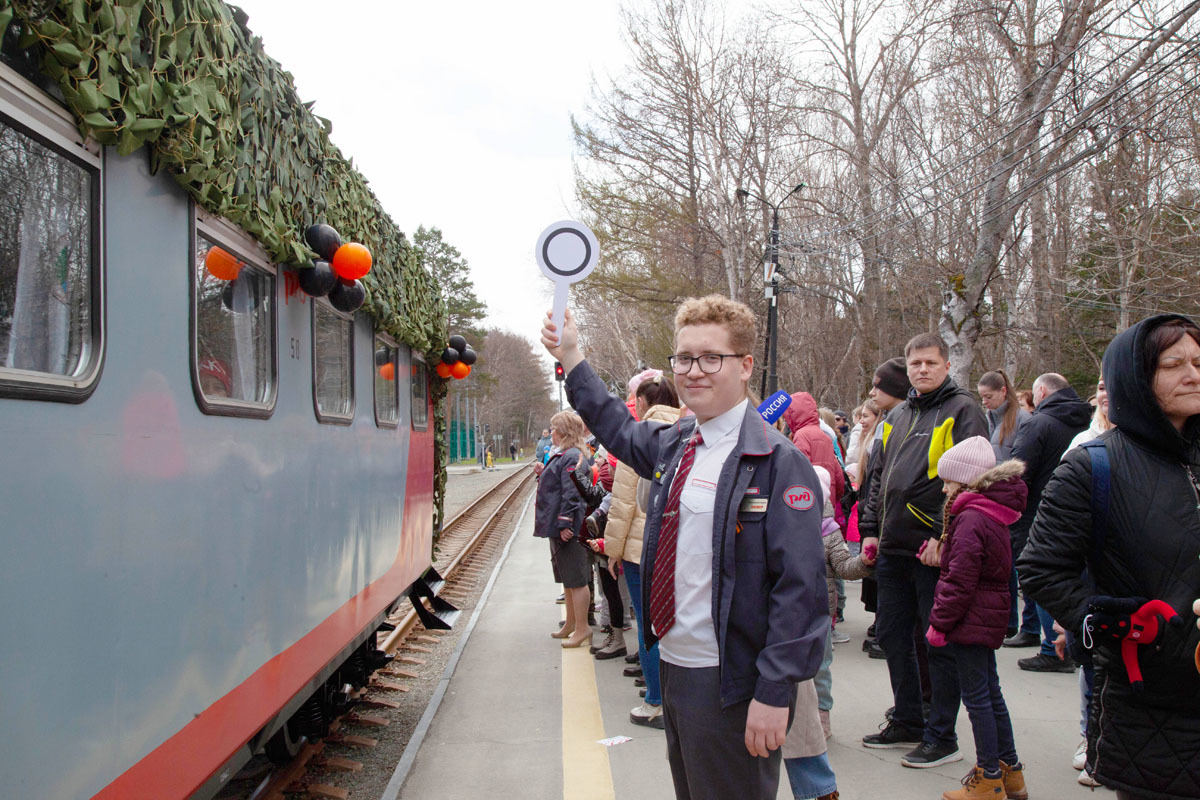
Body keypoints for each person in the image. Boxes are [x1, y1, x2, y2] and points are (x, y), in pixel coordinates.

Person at [543, 298, 828, 800]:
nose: (694, 371)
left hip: (732, 683)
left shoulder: (777, 462)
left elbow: (800, 591)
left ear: (744, 367)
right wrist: (572, 356)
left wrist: (773, 692)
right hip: (676, 666)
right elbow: (616, 425)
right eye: (684, 358)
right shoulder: (678, 441)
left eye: (710, 358)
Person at [1019, 314, 1200, 800]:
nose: (1193, 374)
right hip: (1151, 707)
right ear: (1136, 377)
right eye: (1173, 364)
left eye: (1199, 362)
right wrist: (1109, 621)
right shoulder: (1092, 465)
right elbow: (1040, 567)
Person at [857, 333, 988, 768]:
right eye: (916, 364)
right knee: (893, 634)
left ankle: (942, 735)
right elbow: (876, 476)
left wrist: (943, 534)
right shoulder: (898, 413)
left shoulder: (964, 410)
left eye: (931, 362)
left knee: (937, 643)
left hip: (932, 549)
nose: (923, 370)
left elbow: (974, 480)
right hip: (892, 545)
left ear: (946, 365)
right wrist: (870, 528)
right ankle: (909, 719)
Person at [925, 436, 1029, 800]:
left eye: (949, 481)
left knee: (978, 699)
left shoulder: (969, 518)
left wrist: (939, 623)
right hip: (987, 614)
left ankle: (988, 777)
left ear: (966, 482)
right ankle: (1010, 769)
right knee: (991, 693)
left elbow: (959, 579)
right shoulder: (989, 515)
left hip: (971, 618)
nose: (943, 487)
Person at [605, 373, 682, 729]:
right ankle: (677, 698)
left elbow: (623, 504)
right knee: (675, 624)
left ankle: (656, 701)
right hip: (677, 547)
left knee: (648, 626)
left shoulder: (639, 437)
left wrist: (612, 549)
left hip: (640, 550)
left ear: (645, 403)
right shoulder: (688, 429)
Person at [1006, 373, 1091, 668]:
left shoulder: (1038, 423)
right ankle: (1060, 638)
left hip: (1037, 514)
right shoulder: (1088, 421)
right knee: (1072, 578)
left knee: (1040, 578)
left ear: (1040, 391)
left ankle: (1050, 648)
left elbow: (1018, 471)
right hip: (1081, 513)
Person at [859, 359, 912, 660]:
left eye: (878, 386)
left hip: (896, 523)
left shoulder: (896, 423)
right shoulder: (889, 421)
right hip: (880, 517)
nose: (873, 392)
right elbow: (877, 476)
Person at [533, 411, 592, 649]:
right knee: (568, 578)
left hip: (568, 527)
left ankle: (582, 628)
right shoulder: (566, 455)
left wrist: (566, 522)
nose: (551, 432)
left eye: (554, 428)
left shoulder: (571, 456)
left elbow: (572, 492)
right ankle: (571, 623)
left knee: (577, 579)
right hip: (558, 526)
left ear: (563, 432)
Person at [783, 393, 845, 513]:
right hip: (828, 501)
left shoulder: (801, 435)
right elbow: (838, 475)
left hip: (809, 503)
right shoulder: (825, 436)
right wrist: (835, 497)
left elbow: (799, 471)